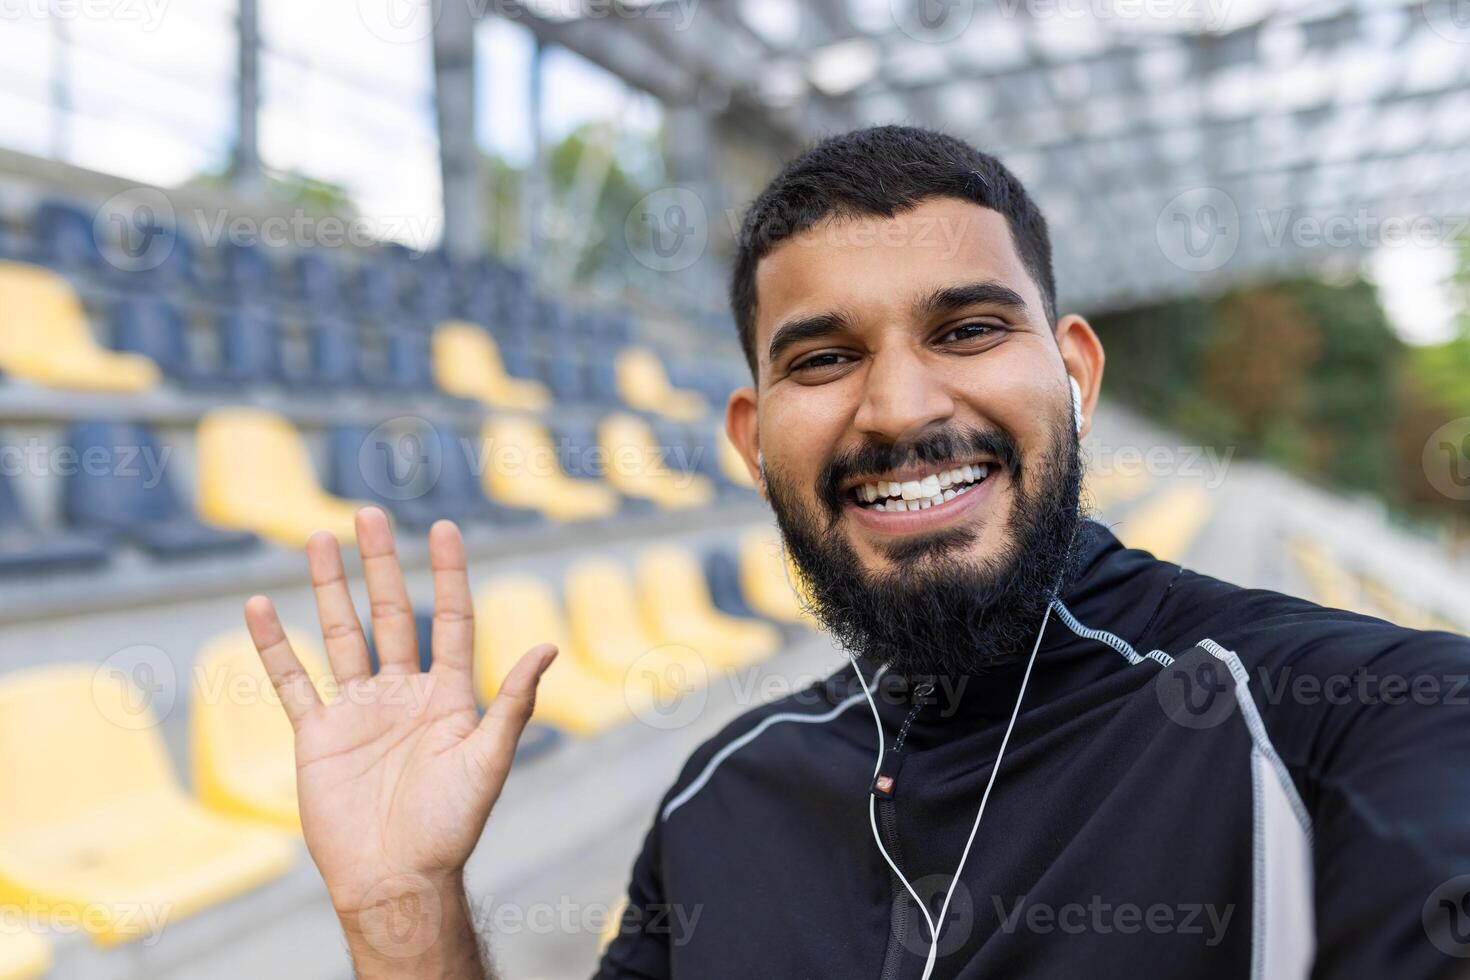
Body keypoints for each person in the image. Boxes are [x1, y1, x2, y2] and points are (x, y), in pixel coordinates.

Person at [243, 126, 1470, 979]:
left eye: (970, 327)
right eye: (822, 358)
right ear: (751, 436)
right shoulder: (722, 802)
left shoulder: (1358, 714)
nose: (897, 407)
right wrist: (403, 905)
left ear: (1077, 376)